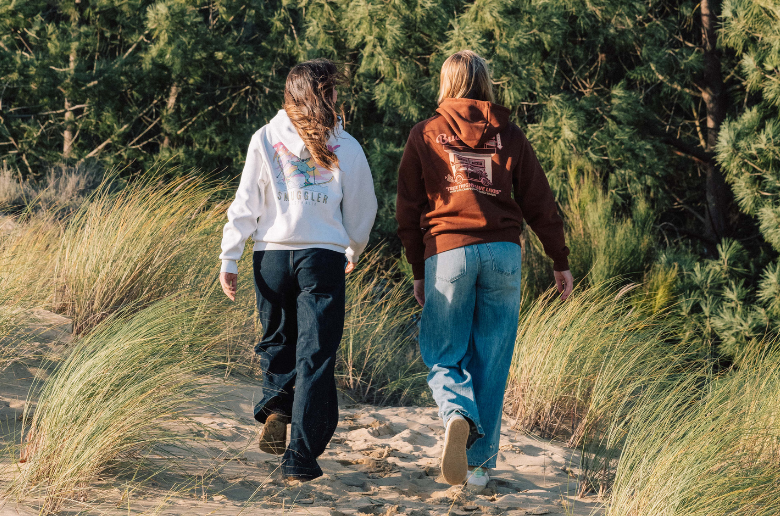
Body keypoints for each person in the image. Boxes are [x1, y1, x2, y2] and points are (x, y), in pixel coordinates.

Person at [396, 50, 572, 491]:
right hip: (503, 254)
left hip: (448, 252)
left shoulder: (425, 133)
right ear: (485, 82)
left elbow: (408, 209)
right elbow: (540, 202)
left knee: (443, 352)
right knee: (492, 361)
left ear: (446, 83)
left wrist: (418, 267)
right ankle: (477, 468)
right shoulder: (509, 135)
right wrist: (559, 260)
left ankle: (458, 413)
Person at [219, 59, 377, 485]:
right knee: (315, 354)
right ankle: (300, 457)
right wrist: (353, 247)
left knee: (277, 339)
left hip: (271, 256)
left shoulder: (265, 137)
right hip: (321, 257)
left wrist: (230, 256)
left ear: (290, 95)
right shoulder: (346, 145)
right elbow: (363, 208)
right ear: (328, 96)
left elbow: (246, 201)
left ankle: (277, 405)